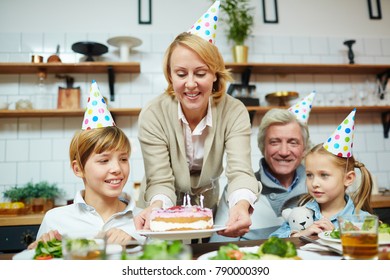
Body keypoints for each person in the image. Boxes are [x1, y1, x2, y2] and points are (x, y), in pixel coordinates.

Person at [135, 1, 261, 238]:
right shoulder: (153, 114)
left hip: (206, 209)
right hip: (157, 210)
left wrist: (241, 205)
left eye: (201, 73)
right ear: (170, 77)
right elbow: (160, 180)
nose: (190, 83)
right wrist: (156, 209)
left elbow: (240, 172)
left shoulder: (234, 111)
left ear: (215, 75)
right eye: (181, 74)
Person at [28, 80, 144, 249]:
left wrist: (136, 246)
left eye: (123, 159)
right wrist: (39, 254)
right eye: (104, 160)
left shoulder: (144, 220)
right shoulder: (55, 220)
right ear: (78, 169)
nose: (117, 169)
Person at [211, 92, 315, 242]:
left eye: (293, 142)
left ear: (304, 148)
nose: (284, 152)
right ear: (262, 147)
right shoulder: (237, 192)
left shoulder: (318, 188)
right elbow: (218, 250)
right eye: (274, 142)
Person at [270, 109, 374, 238]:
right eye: (309, 175)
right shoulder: (301, 213)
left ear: (348, 178)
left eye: (324, 175)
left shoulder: (363, 221)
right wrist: (299, 235)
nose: (314, 183)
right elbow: (273, 240)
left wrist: (335, 235)